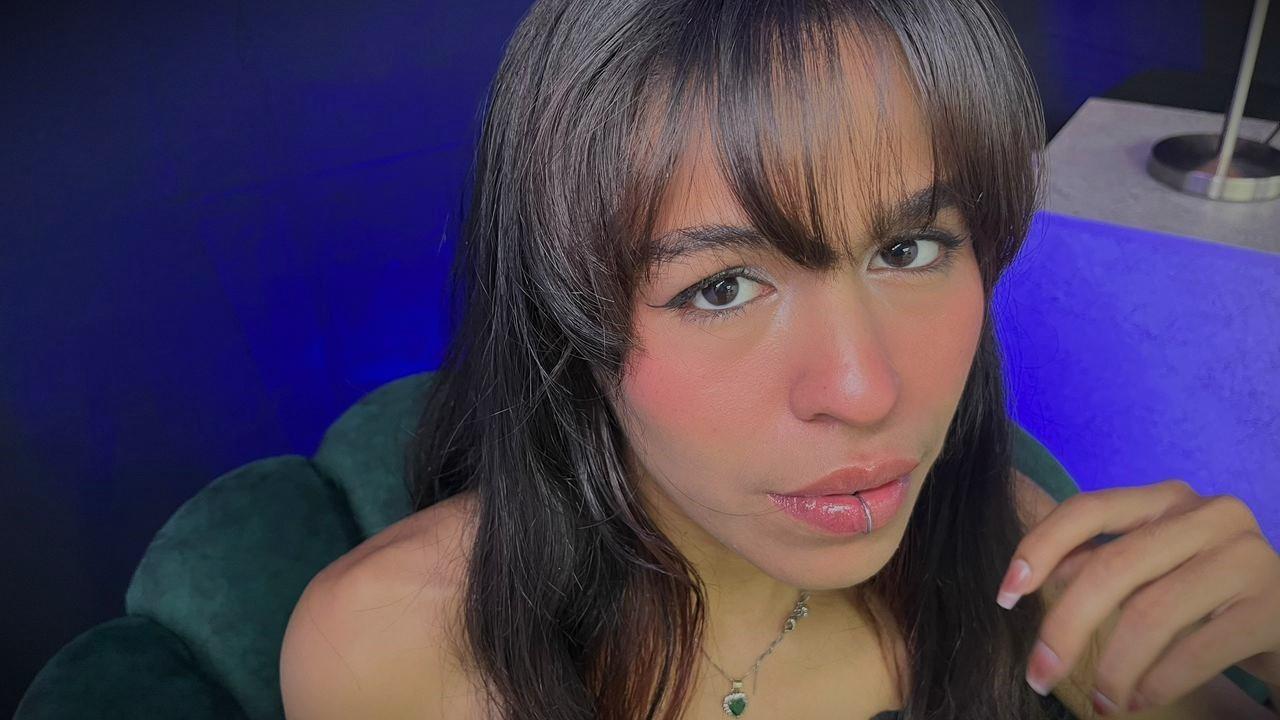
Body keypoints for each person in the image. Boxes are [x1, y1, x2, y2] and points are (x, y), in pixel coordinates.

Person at [279, 1, 1280, 718]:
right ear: (565, 323)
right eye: (719, 287)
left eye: (909, 249)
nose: (864, 390)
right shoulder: (387, 650)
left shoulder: (1024, 564)